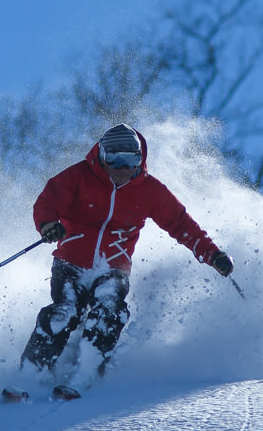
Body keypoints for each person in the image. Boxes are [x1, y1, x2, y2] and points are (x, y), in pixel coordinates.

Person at [19, 123, 234, 388]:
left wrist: (213, 255)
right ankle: (31, 374)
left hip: (113, 269)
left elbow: (181, 224)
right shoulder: (79, 176)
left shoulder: (149, 190)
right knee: (65, 311)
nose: (122, 168)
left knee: (108, 308)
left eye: (130, 161)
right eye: (114, 159)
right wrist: (48, 224)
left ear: (140, 161)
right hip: (70, 263)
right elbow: (48, 200)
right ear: (101, 156)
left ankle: (86, 374)